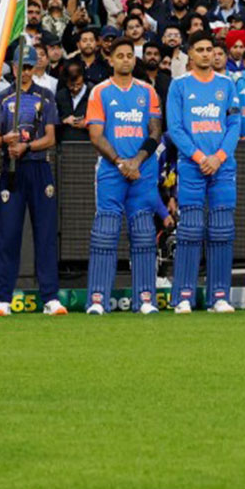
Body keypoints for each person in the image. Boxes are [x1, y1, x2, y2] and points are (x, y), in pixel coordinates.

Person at [83, 38, 164, 315]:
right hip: (111, 172)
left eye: (130, 55)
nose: (126, 60)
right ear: (111, 60)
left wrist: (136, 161)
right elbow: (95, 135)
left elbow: (155, 132)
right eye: (121, 55)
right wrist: (120, 162)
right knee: (105, 233)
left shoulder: (148, 91)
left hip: (143, 171)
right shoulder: (99, 92)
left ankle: (145, 299)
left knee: (143, 234)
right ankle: (97, 300)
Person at [166, 29, 241, 313]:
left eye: (210, 49)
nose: (206, 54)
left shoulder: (227, 84)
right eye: (200, 50)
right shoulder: (179, 85)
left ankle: (219, 296)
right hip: (192, 166)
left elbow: (235, 125)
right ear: (191, 54)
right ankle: (183, 295)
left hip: (222, 167)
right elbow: (175, 128)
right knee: (190, 231)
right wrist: (200, 157)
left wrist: (219, 157)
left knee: (222, 230)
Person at [0, 58, 64, 317]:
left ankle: (50, 298)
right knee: (8, 234)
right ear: (13, 67)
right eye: (21, 66)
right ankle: (3, 299)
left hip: (39, 167)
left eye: (30, 67)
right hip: (11, 170)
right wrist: (5, 140)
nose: (25, 72)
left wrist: (27, 146)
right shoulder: (2, 97)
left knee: (45, 235)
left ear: (35, 68)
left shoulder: (45, 96)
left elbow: (51, 138)